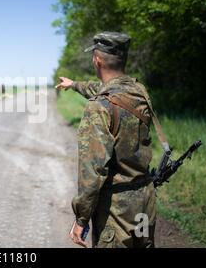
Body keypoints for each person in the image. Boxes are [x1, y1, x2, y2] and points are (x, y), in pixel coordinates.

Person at [56, 32, 156, 248]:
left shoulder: (98, 108)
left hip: (116, 211)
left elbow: (93, 172)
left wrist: (81, 219)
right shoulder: (139, 92)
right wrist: (74, 84)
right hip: (145, 200)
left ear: (97, 60)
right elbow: (102, 88)